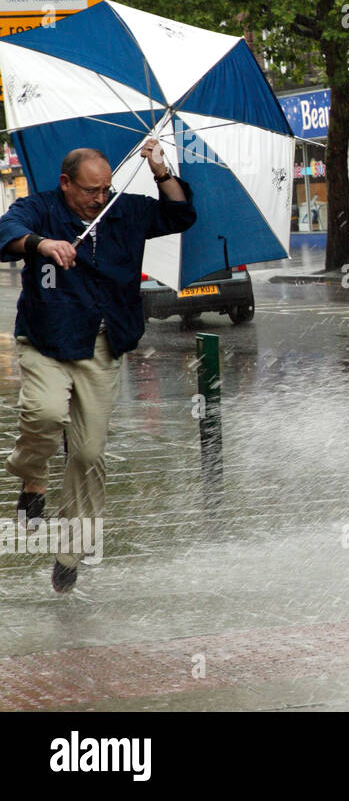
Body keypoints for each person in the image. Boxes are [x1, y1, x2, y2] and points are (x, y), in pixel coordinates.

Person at [0, 140, 196, 592]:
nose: (100, 198)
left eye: (106, 188)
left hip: (103, 345)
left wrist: (162, 171)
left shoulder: (123, 211)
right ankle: (31, 478)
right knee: (45, 416)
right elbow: (5, 231)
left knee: (87, 453)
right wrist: (42, 243)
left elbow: (181, 215)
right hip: (47, 339)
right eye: (91, 190)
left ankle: (71, 549)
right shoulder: (42, 208)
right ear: (66, 183)